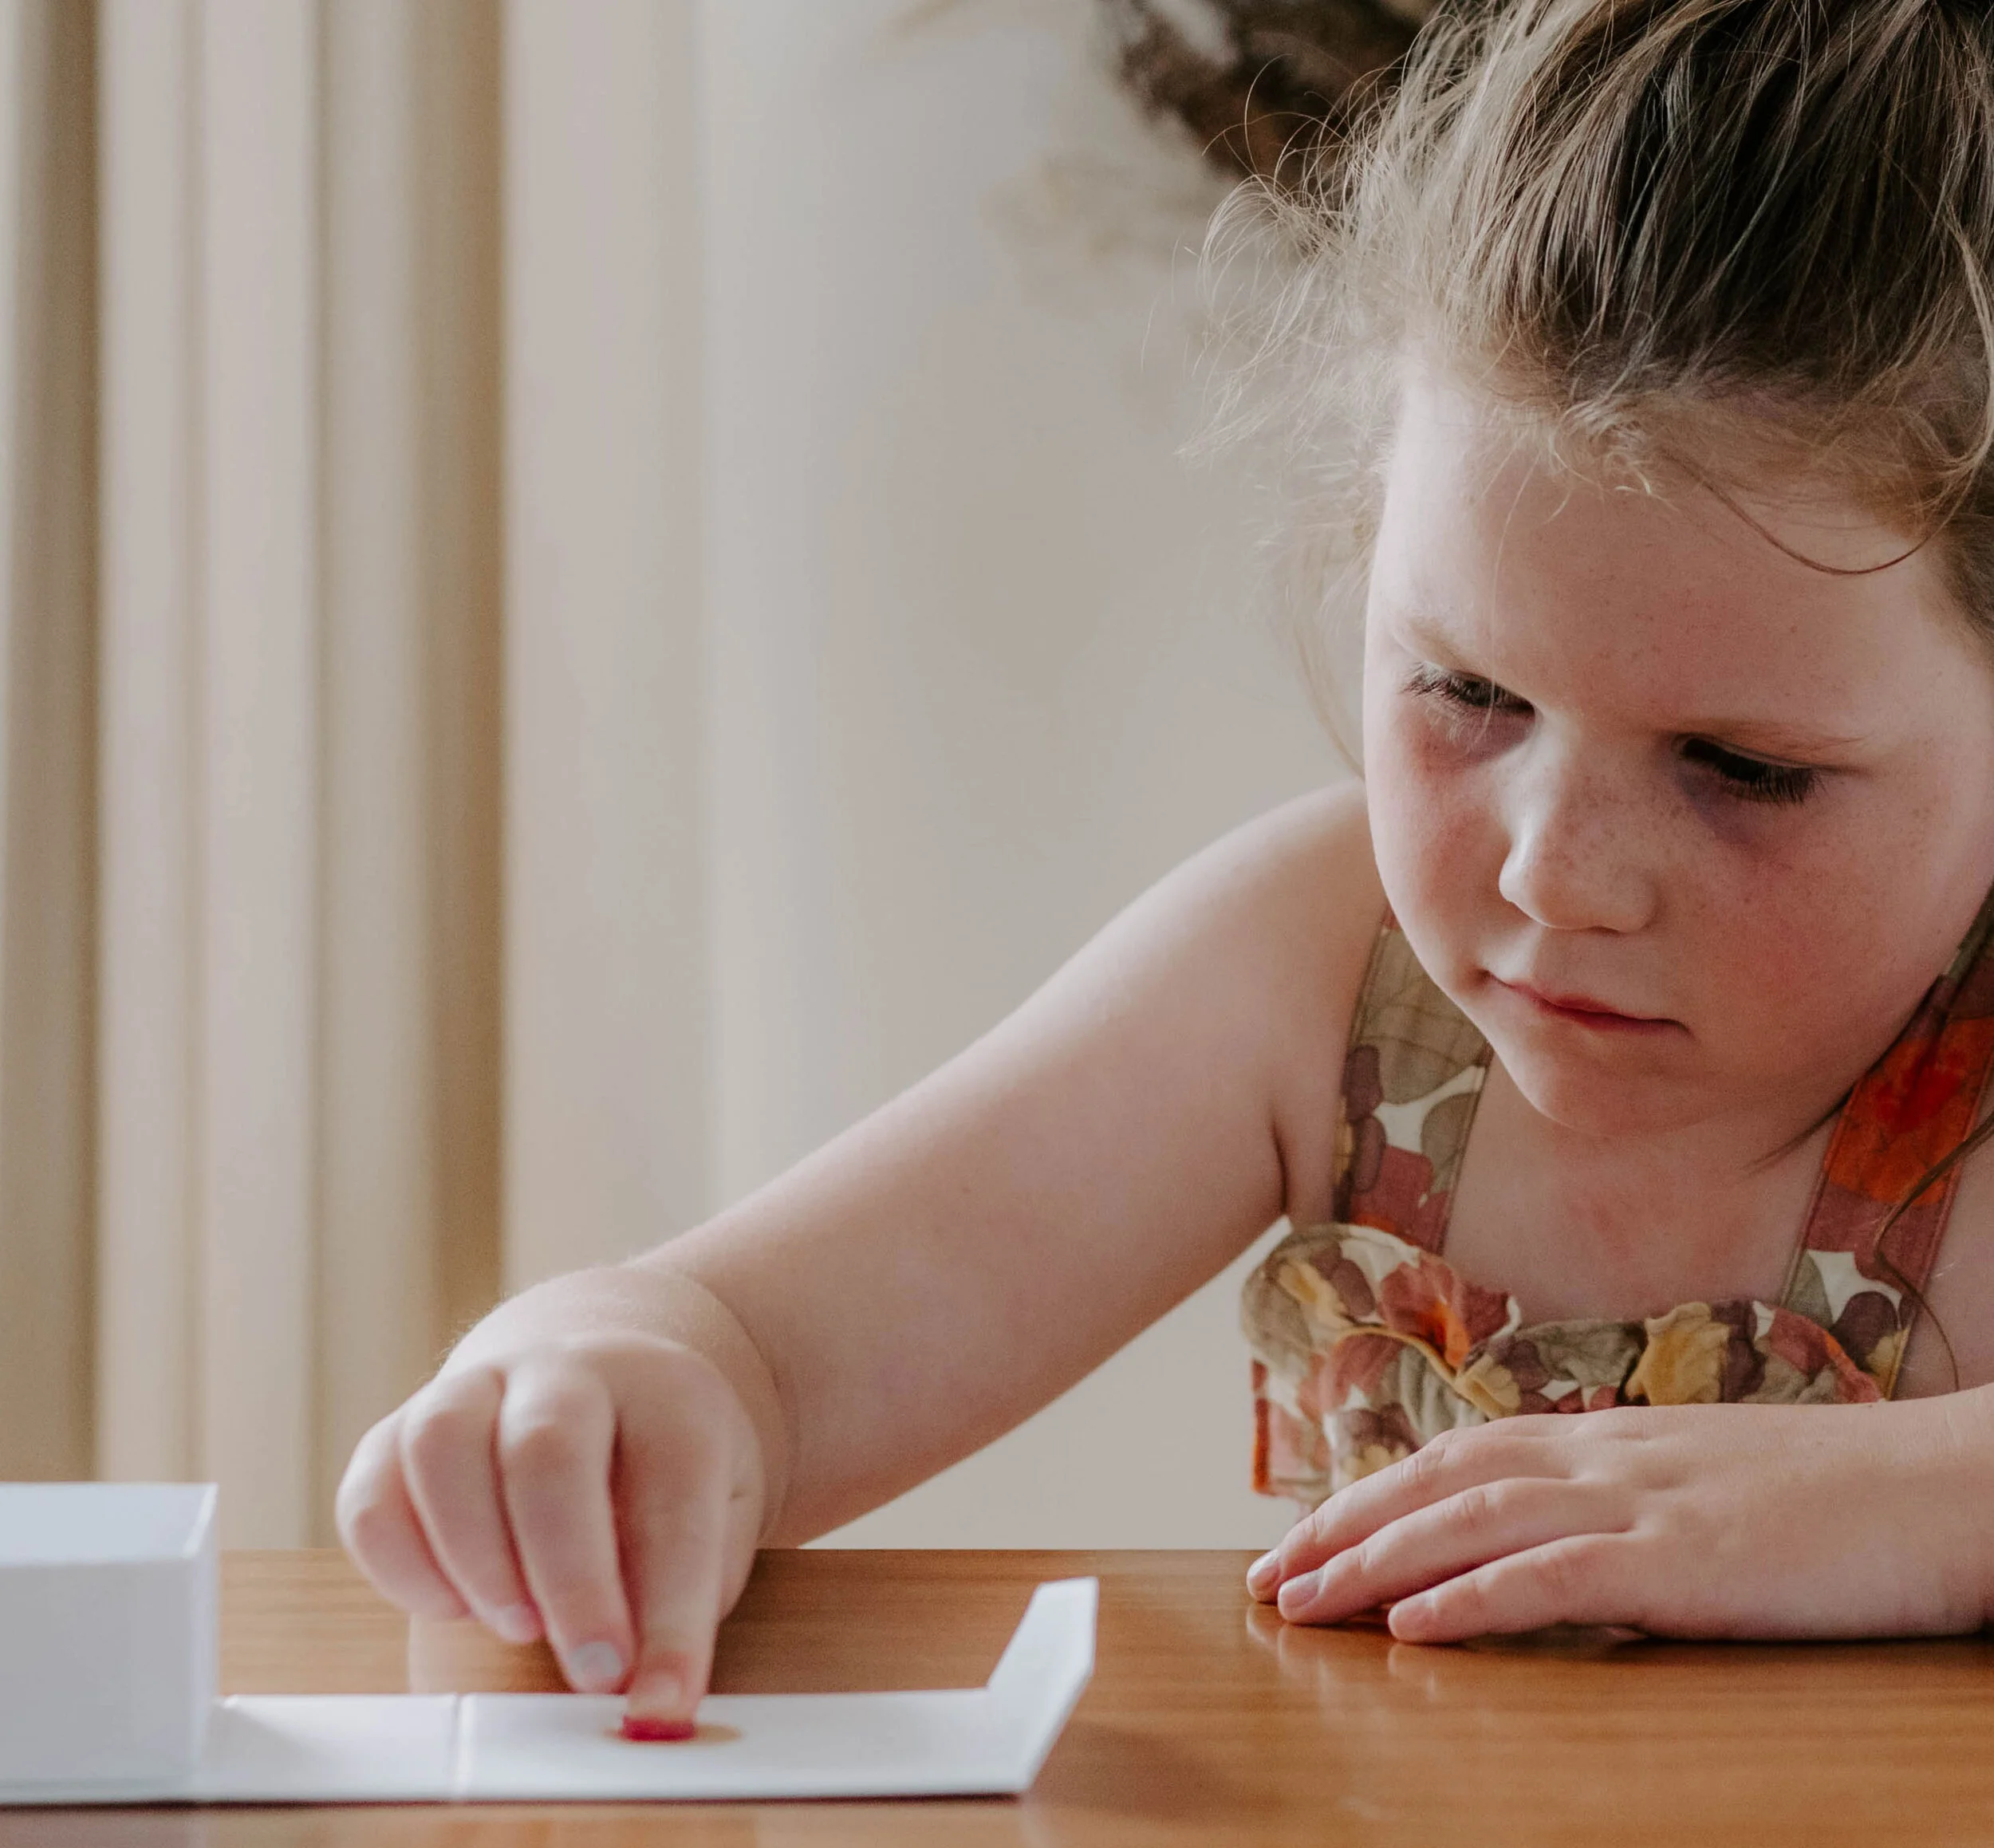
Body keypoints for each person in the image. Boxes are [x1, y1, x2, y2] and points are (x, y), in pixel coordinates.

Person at [337, 0, 1994, 1735]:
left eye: (1742, 769)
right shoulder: (1320, 979)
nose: (1551, 873)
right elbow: (761, 1347)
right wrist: (604, 1378)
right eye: (1463, 689)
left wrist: (1910, 1502)